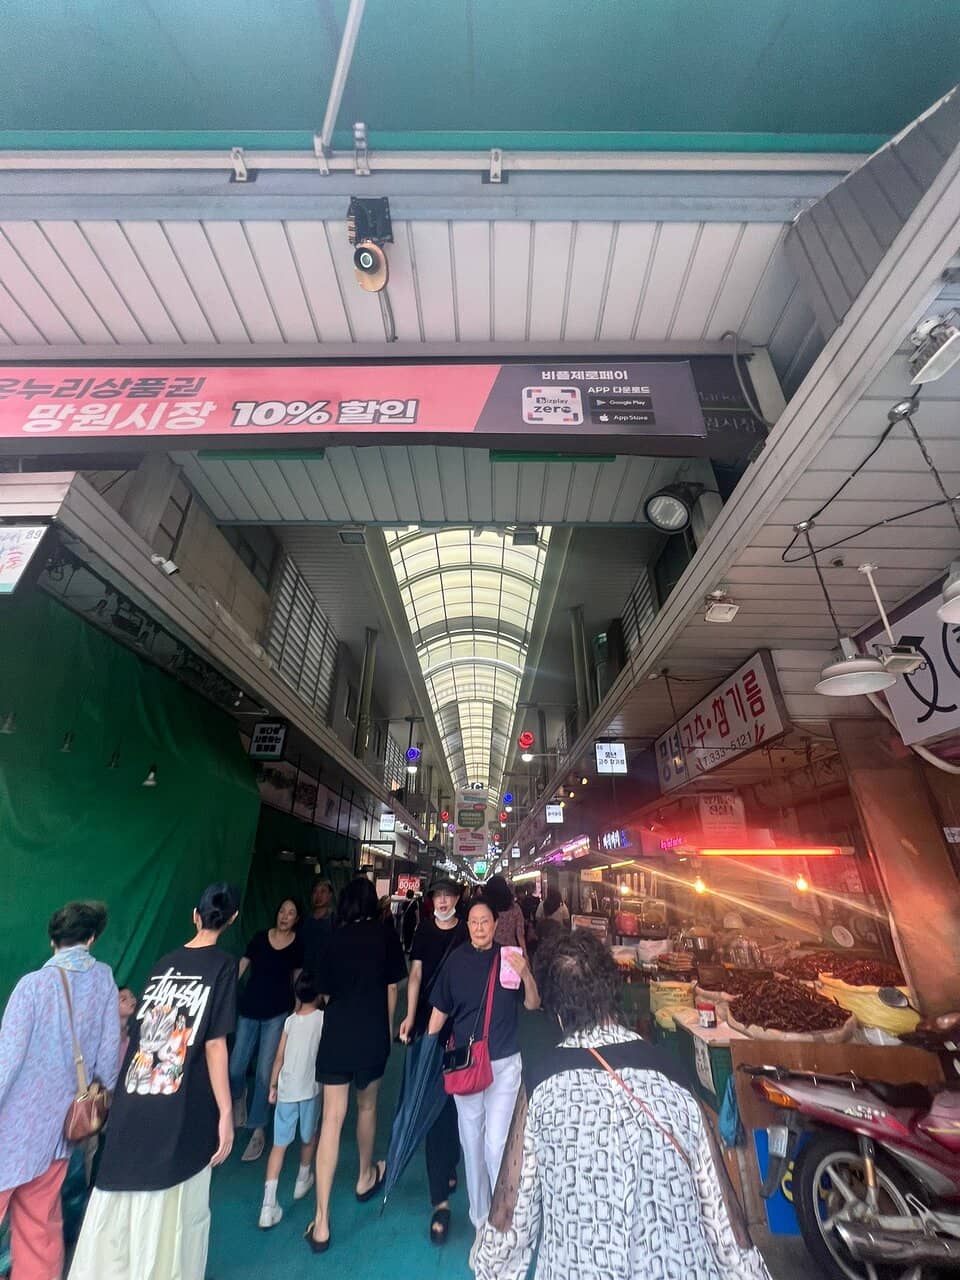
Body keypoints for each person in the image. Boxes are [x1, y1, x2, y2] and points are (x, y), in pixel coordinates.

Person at [475, 930, 772, 1280]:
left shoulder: (541, 1085)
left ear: (557, 1015)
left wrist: (489, 1267)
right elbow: (724, 1215)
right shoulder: (675, 1078)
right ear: (612, 993)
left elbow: (509, 1215)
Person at [69, 883, 240, 1280]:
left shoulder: (164, 963)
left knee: (120, 1195)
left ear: (195, 916)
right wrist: (226, 1112)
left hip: (135, 1093)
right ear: (231, 919)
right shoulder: (223, 966)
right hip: (181, 1102)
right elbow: (215, 1044)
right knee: (174, 1202)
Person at [0, 901, 119, 1280]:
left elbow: (7, 1061)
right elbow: (108, 1060)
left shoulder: (32, 986)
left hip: (10, 1132)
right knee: (39, 1229)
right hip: (58, 1130)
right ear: (92, 938)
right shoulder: (104, 980)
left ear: (53, 940)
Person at [428, 899, 540, 1268]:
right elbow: (440, 1010)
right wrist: (425, 1051)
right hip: (466, 1066)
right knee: (471, 1143)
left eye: (485, 922)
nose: (479, 928)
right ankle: (480, 1220)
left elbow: (532, 1004)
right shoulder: (455, 962)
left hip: (505, 1063)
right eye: (474, 922)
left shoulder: (509, 958)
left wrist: (526, 974)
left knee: (496, 1146)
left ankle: (499, 1218)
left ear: (495, 925)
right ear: (468, 926)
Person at [306, 877, 407, 1254]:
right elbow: (392, 987)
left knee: (332, 1119)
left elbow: (323, 991)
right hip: (371, 1033)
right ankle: (365, 1176)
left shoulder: (334, 937)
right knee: (366, 1107)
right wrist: (385, 1027)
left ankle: (321, 1221)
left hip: (337, 1033)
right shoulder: (384, 934)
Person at [398, 877, 468, 1245]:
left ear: (457, 899)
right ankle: (439, 1200)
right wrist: (411, 1017)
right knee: (434, 1108)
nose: (442, 902)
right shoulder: (424, 930)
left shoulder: (468, 930)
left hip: (463, 1030)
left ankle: (451, 1161)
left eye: (447, 896)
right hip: (430, 1028)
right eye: (437, 897)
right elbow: (416, 975)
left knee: (458, 1103)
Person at [229, 898, 304, 1162]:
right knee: (235, 1068)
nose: (285, 915)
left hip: (277, 1013)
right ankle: (238, 1096)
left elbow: (297, 977)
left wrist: (298, 1009)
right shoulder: (260, 938)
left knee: (264, 1073)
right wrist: (226, 991)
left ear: (296, 919)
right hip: (249, 1009)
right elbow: (242, 965)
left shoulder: (297, 944)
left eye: (291, 913)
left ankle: (258, 1128)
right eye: (282, 910)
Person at [258, 972, 326, 1229]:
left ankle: (268, 1204)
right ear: (319, 995)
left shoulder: (289, 1022)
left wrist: (273, 1085)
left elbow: (279, 1057)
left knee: (279, 1145)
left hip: (286, 1089)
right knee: (309, 1136)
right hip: (310, 1089)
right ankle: (302, 1177)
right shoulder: (323, 1019)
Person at [300, 879, 336, 983]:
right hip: (306, 977)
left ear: (330, 895)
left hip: (328, 977)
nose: (318, 895)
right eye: (315, 891)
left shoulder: (336, 920)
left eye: (323, 891)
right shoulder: (304, 921)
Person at [485, 876, 526, 953]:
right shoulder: (515, 908)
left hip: (490, 950)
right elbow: (520, 934)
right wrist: (524, 953)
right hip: (510, 951)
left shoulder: (485, 909)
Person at [118, 986, 137, 1067]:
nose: (131, 1000)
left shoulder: (133, 1033)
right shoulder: (107, 1038)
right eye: (123, 999)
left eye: (132, 996)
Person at [401, 889, 420, 954]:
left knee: (405, 934)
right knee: (411, 934)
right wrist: (418, 922)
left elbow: (402, 913)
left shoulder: (404, 903)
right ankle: (409, 948)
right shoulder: (415, 903)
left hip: (406, 921)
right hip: (412, 921)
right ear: (412, 895)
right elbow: (417, 913)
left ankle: (406, 947)